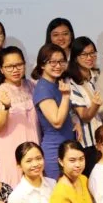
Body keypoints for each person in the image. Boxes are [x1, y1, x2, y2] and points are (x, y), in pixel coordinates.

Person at [0, 47, 40, 186]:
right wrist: (6, 107)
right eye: (9, 66)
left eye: (19, 65)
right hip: (9, 151)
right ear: (1, 69)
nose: (15, 70)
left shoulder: (32, 86)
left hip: (33, 146)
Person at [32, 44, 76, 179]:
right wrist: (66, 96)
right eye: (52, 62)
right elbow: (57, 122)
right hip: (54, 149)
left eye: (61, 61)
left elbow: (66, 111)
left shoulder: (57, 84)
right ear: (42, 65)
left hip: (68, 145)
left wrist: (75, 121)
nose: (58, 66)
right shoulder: (43, 88)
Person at [67, 36, 103, 153]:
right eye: (84, 54)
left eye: (92, 53)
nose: (89, 57)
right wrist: (95, 105)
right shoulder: (71, 83)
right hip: (87, 143)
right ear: (75, 57)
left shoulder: (98, 76)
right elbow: (84, 116)